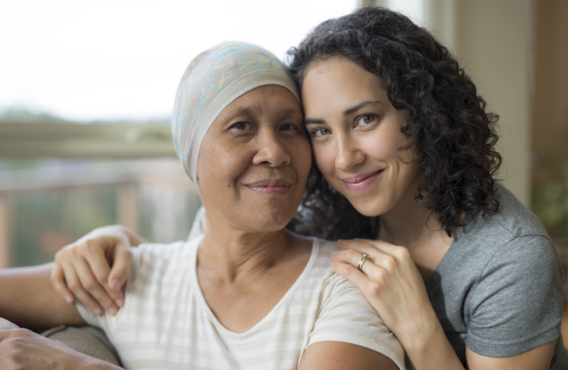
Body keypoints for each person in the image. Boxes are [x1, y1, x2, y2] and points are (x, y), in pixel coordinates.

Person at [51, 7, 567, 370]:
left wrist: (418, 326)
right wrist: (116, 239)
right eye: (319, 130)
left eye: (365, 119)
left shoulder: (507, 259)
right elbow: (206, 264)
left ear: (425, 113)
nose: (343, 158)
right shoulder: (318, 208)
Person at [0, 41, 405, 370]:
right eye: (241, 126)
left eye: (289, 127)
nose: (274, 152)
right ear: (192, 157)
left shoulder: (351, 278)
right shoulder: (123, 279)